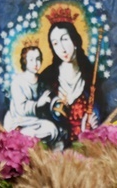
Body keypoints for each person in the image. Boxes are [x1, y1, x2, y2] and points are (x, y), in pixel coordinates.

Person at [38, 17, 100, 146]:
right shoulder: (47, 78)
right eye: (55, 43)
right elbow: (40, 117)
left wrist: (91, 124)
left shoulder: (91, 76)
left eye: (65, 39)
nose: (62, 48)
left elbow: (99, 110)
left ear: (75, 41)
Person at [3, 43, 59, 145]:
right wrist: (37, 104)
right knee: (27, 134)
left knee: (52, 130)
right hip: (19, 120)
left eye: (38, 59)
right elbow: (20, 109)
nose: (36, 63)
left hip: (36, 120)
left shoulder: (42, 80)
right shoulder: (17, 82)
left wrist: (55, 102)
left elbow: (49, 97)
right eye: (31, 60)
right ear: (25, 61)